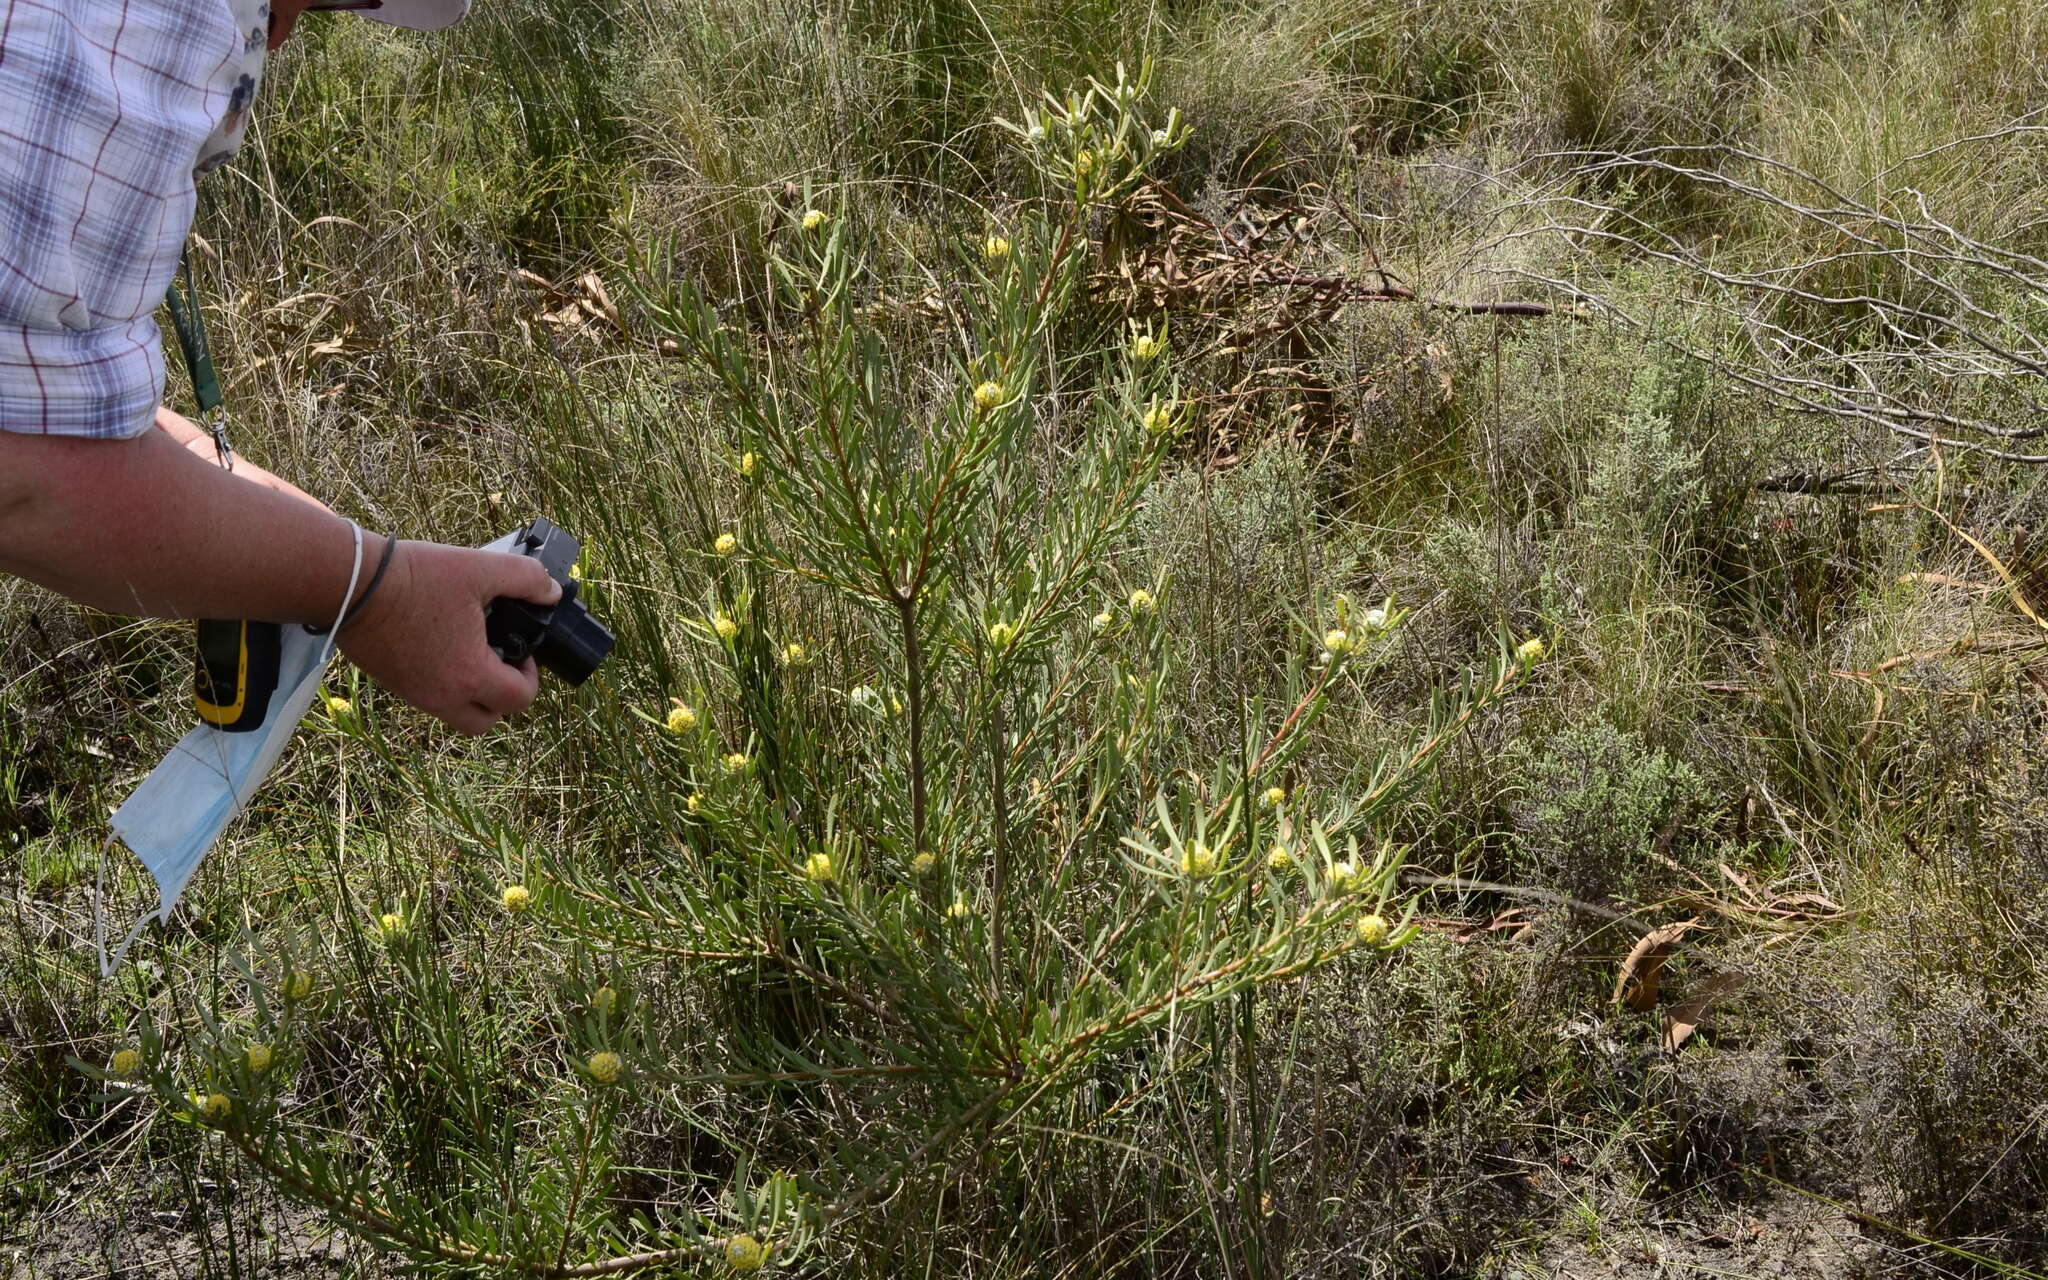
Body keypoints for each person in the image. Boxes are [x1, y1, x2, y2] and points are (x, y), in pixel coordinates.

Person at [0, 0, 557, 735]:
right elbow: (23, 478)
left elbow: (30, 399)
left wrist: (285, 543)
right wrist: (371, 591)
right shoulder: (147, 18)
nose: (283, 32)